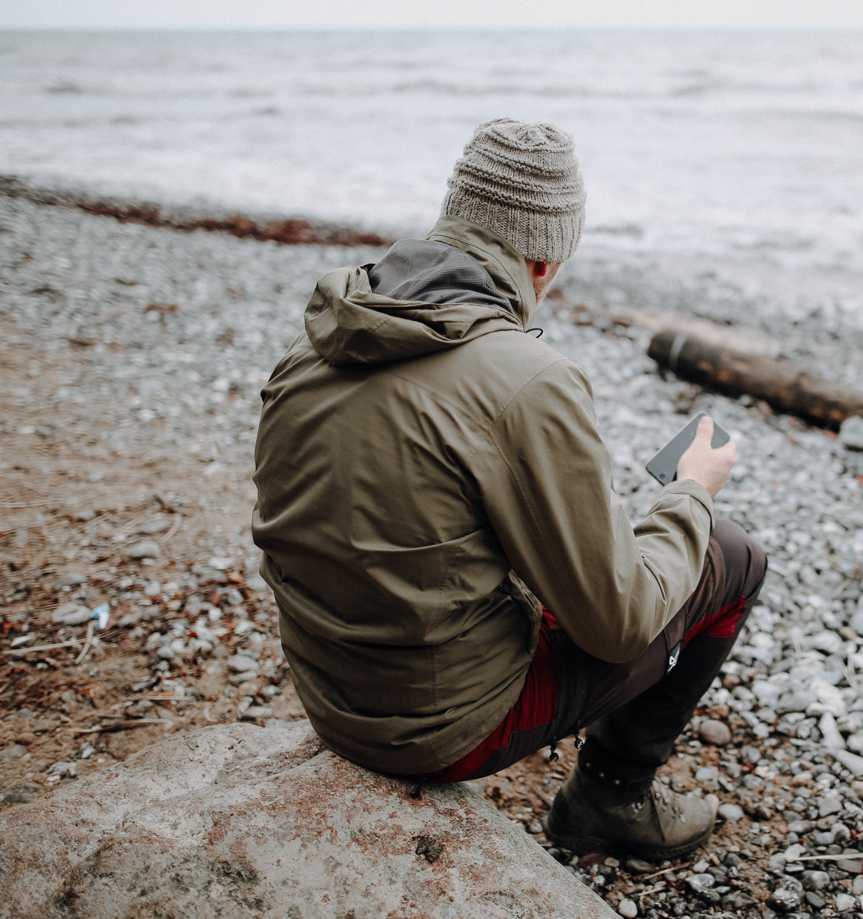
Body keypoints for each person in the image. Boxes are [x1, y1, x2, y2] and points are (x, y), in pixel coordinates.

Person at [251, 118, 766, 859]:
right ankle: (609, 799)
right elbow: (618, 625)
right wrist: (691, 492)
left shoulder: (320, 337)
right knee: (733, 556)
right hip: (434, 729)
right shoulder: (526, 380)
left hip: (330, 692)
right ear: (545, 260)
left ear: (452, 220)